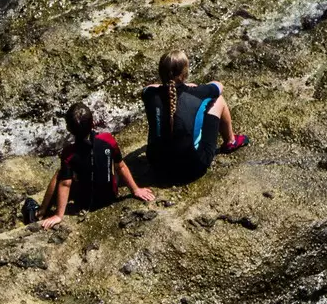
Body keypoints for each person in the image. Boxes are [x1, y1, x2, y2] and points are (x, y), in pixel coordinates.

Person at [31, 103, 152, 230]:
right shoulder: (108, 139)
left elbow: (65, 184)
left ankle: (42, 210)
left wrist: (59, 215)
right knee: (109, 163)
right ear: (93, 123)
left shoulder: (69, 153)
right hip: (110, 195)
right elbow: (120, 167)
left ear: (68, 129)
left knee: (61, 173)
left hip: (84, 201)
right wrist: (135, 190)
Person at [142, 51, 249, 184]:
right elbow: (219, 86)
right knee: (218, 100)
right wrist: (193, 86)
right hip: (192, 168)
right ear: (184, 73)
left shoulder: (149, 95)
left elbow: (150, 87)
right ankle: (230, 141)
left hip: (158, 166)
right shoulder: (197, 93)